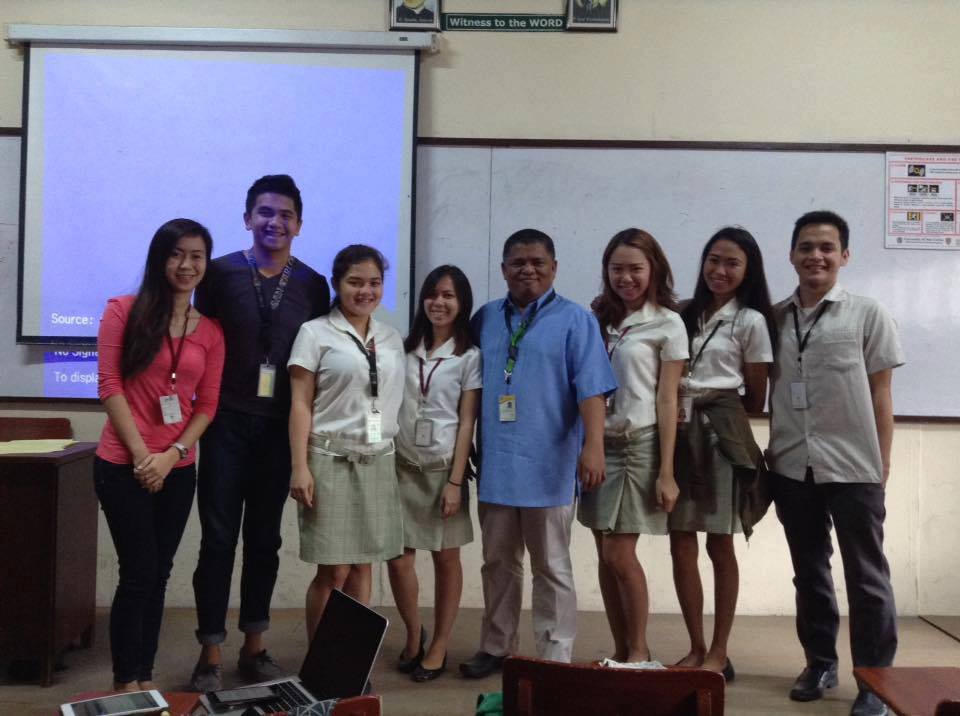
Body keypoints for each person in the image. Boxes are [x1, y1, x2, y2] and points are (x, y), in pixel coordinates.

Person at [190, 175, 329, 691]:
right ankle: (209, 650)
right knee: (217, 539)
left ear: (299, 224)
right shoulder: (220, 273)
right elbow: (200, 342)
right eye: (266, 212)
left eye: (286, 214)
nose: (276, 222)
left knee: (265, 540)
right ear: (248, 217)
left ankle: (255, 645)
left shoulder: (313, 284)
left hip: (279, 429)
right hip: (225, 422)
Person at [460, 229, 616, 678]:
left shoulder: (576, 320)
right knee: (498, 562)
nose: (527, 269)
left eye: (537, 262)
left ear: (554, 268)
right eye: (518, 262)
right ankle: (497, 645)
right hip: (497, 464)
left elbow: (592, 390)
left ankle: (554, 655)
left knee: (551, 565)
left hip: (551, 464)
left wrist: (594, 447)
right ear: (503, 269)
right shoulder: (486, 318)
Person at [768, 210, 903, 716]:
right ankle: (820, 663)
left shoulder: (867, 313)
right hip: (791, 465)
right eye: (806, 247)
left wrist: (881, 462)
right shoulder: (774, 318)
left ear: (844, 255)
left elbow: (882, 392)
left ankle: (875, 681)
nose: (816, 256)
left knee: (867, 578)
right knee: (809, 573)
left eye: (827, 247)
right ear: (792, 255)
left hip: (854, 466)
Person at [95, 218, 224, 692]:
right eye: (176, 254)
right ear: (159, 258)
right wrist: (141, 456)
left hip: (177, 469)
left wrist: (171, 454)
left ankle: (144, 676)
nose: (186, 265)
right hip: (121, 465)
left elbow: (207, 405)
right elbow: (109, 385)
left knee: (160, 574)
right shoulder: (122, 311)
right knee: (138, 573)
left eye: (196, 256)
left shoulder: (210, 332)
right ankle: (124, 682)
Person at [668, 227, 775, 679]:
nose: (720, 270)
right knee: (680, 542)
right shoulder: (682, 313)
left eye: (733, 263)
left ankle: (719, 650)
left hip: (720, 437)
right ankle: (695, 646)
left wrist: (716, 410)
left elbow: (756, 397)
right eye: (714, 259)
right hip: (677, 433)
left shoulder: (750, 320)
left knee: (719, 542)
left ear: (748, 270)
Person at [577, 228, 687, 664]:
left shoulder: (668, 323)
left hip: (638, 445)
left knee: (620, 554)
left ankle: (639, 652)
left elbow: (668, 399)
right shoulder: (595, 320)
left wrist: (667, 471)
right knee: (604, 554)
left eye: (635, 269)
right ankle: (620, 649)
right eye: (617, 269)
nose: (626, 277)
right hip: (597, 444)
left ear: (654, 269)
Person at [288, 244, 405, 640]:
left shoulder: (390, 337)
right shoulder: (315, 332)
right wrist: (300, 467)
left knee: (363, 564)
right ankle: (320, 661)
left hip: (378, 459)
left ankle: (351, 659)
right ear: (337, 284)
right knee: (334, 569)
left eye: (374, 283)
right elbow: (300, 403)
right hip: (330, 460)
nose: (365, 291)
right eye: (355, 282)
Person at [386, 266, 481, 683]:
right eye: (432, 294)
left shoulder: (469, 356)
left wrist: (456, 482)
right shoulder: (403, 349)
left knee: (446, 559)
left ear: (462, 304)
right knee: (398, 560)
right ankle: (413, 633)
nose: (439, 302)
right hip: (401, 468)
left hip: (444, 472)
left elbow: (467, 422)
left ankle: (439, 643)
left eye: (449, 296)